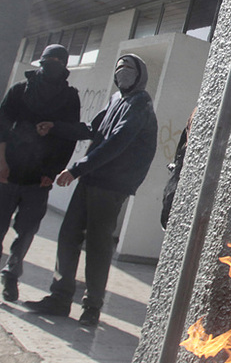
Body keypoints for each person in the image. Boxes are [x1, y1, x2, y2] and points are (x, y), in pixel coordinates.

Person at [25, 55, 157, 327]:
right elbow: (94, 130)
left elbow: (116, 142)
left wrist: (76, 170)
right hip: (91, 180)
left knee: (97, 246)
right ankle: (60, 298)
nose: (122, 73)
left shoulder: (140, 105)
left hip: (110, 186)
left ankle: (92, 307)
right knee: (68, 236)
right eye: (119, 68)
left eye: (129, 69)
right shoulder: (115, 100)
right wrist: (57, 127)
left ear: (140, 75)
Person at [0, 45, 80, 306]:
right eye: (48, 60)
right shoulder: (20, 90)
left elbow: (69, 138)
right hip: (9, 172)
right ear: (40, 62)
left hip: (38, 179)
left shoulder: (69, 97)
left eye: (57, 61)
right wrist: (0, 162)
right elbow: (1, 127)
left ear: (65, 66)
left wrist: (51, 173)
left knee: (27, 231)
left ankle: (11, 274)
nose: (51, 65)